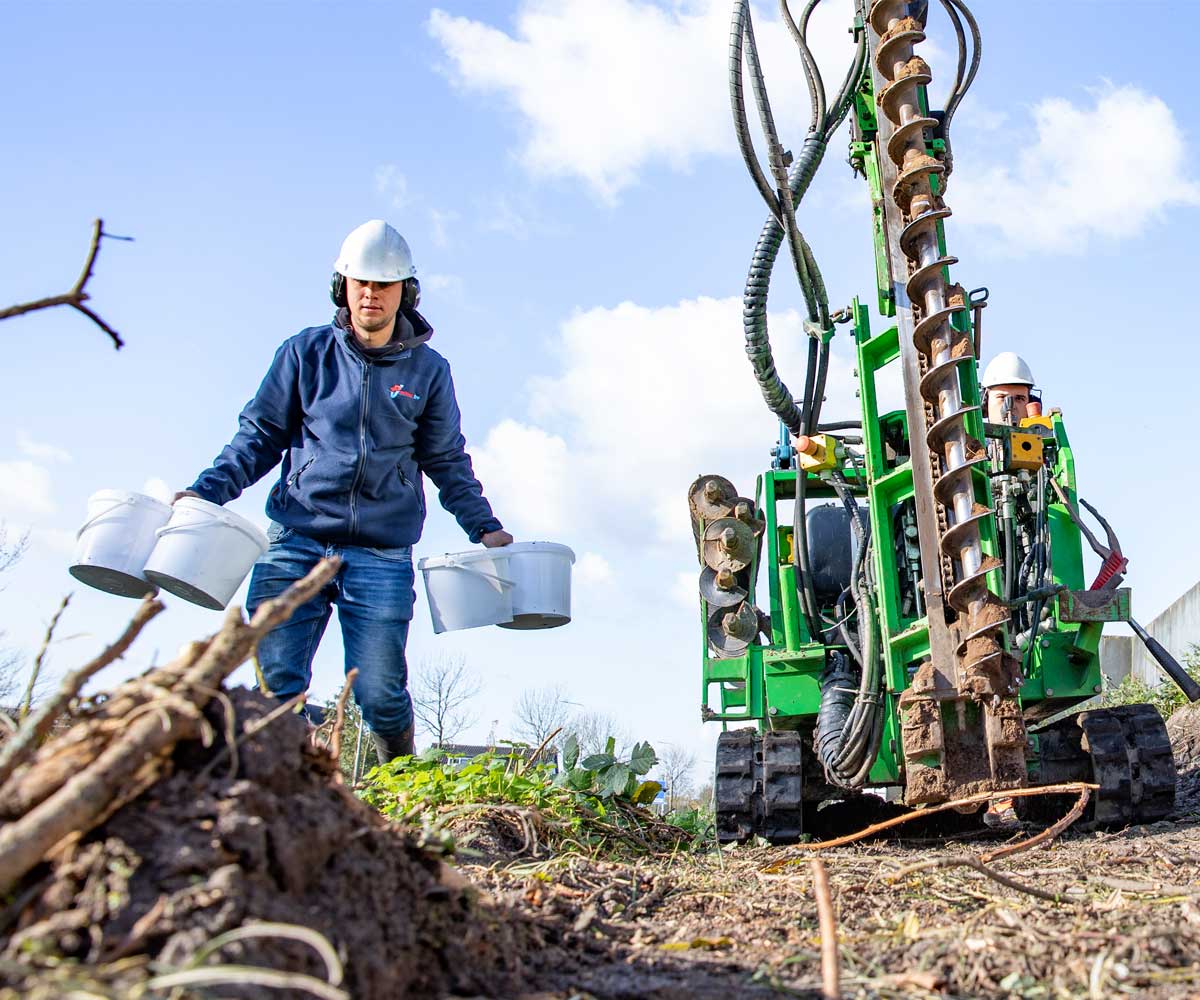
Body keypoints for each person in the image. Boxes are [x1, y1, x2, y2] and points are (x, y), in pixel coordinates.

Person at [177, 220, 512, 761]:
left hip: (380, 553)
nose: (370, 294)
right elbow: (258, 436)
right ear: (342, 287)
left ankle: (399, 789)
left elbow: (446, 458)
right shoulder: (304, 354)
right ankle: (280, 794)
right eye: (361, 283)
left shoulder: (428, 371)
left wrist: (485, 526)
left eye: (384, 284)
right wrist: (206, 492)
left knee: (380, 693)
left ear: (406, 291)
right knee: (277, 687)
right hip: (295, 542)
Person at [980, 351, 1038, 426]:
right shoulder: (964, 437)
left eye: (1019, 398)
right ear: (985, 403)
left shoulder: (1045, 437)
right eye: (1002, 397)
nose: (1010, 407)